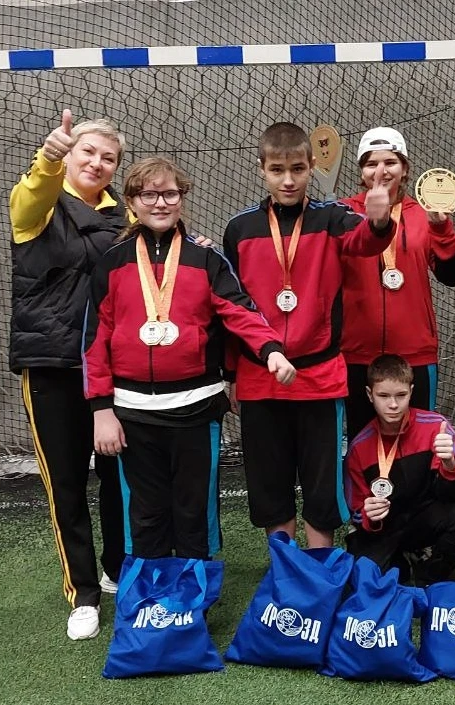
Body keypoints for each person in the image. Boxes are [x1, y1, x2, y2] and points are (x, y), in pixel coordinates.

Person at [83, 157, 296, 567]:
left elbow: (240, 311)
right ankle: (150, 594)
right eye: (149, 194)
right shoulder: (113, 262)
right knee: (144, 511)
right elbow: (94, 339)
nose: (160, 203)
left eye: (170, 193)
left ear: (182, 198)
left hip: (197, 408)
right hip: (133, 412)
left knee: (194, 508)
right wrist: (100, 409)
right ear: (131, 201)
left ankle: (194, 594)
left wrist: (271, 350)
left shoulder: (206, 258)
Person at [222, 122, 394, 549]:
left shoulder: (332, 218)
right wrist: (232, 375)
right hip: (260, 377)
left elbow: (365, 242)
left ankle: (318, 570)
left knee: (321, 486)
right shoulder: (239, 229)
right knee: (270, 484)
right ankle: (284, 569)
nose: (288, 180)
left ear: (312, 166)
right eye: (277, 170)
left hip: (319, 378)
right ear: (261, 168)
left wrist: (379, 221)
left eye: (297, 169)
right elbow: (232, 306)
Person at [8, 110, 128, 640]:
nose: (97, 163)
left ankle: (117, 569)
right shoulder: (36, 205)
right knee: (67, 485)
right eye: (88, 152)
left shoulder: (125, 216)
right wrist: (49, 157)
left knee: (120, 479)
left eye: (109, 158)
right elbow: (32, 193)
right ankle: (82, 593)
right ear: (70, 155)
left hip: (113, 369)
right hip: (52, 366)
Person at [340, 127, 455, 441]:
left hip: (415, 350)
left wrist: (442, 230)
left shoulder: (425, 213)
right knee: (361, 442)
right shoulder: (342, 213)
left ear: (405, 168)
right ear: (361, 171)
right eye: (371, 164)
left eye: (390, 162)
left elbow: (452, 276)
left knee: (418, 440)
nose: (381, 171)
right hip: (356, 352)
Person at [345, 354, 455, 585]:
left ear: (411, 391)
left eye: (401, 395)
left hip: (425, 518)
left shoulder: (436, 428)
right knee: (366, 579)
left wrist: (449, 463)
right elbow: (357, 511)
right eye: (383, 396)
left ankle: (428, 576)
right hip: (386, 528)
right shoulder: (359, 447)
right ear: (370, 395)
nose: (393, 404)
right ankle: (402, 563)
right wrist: (369, 515)